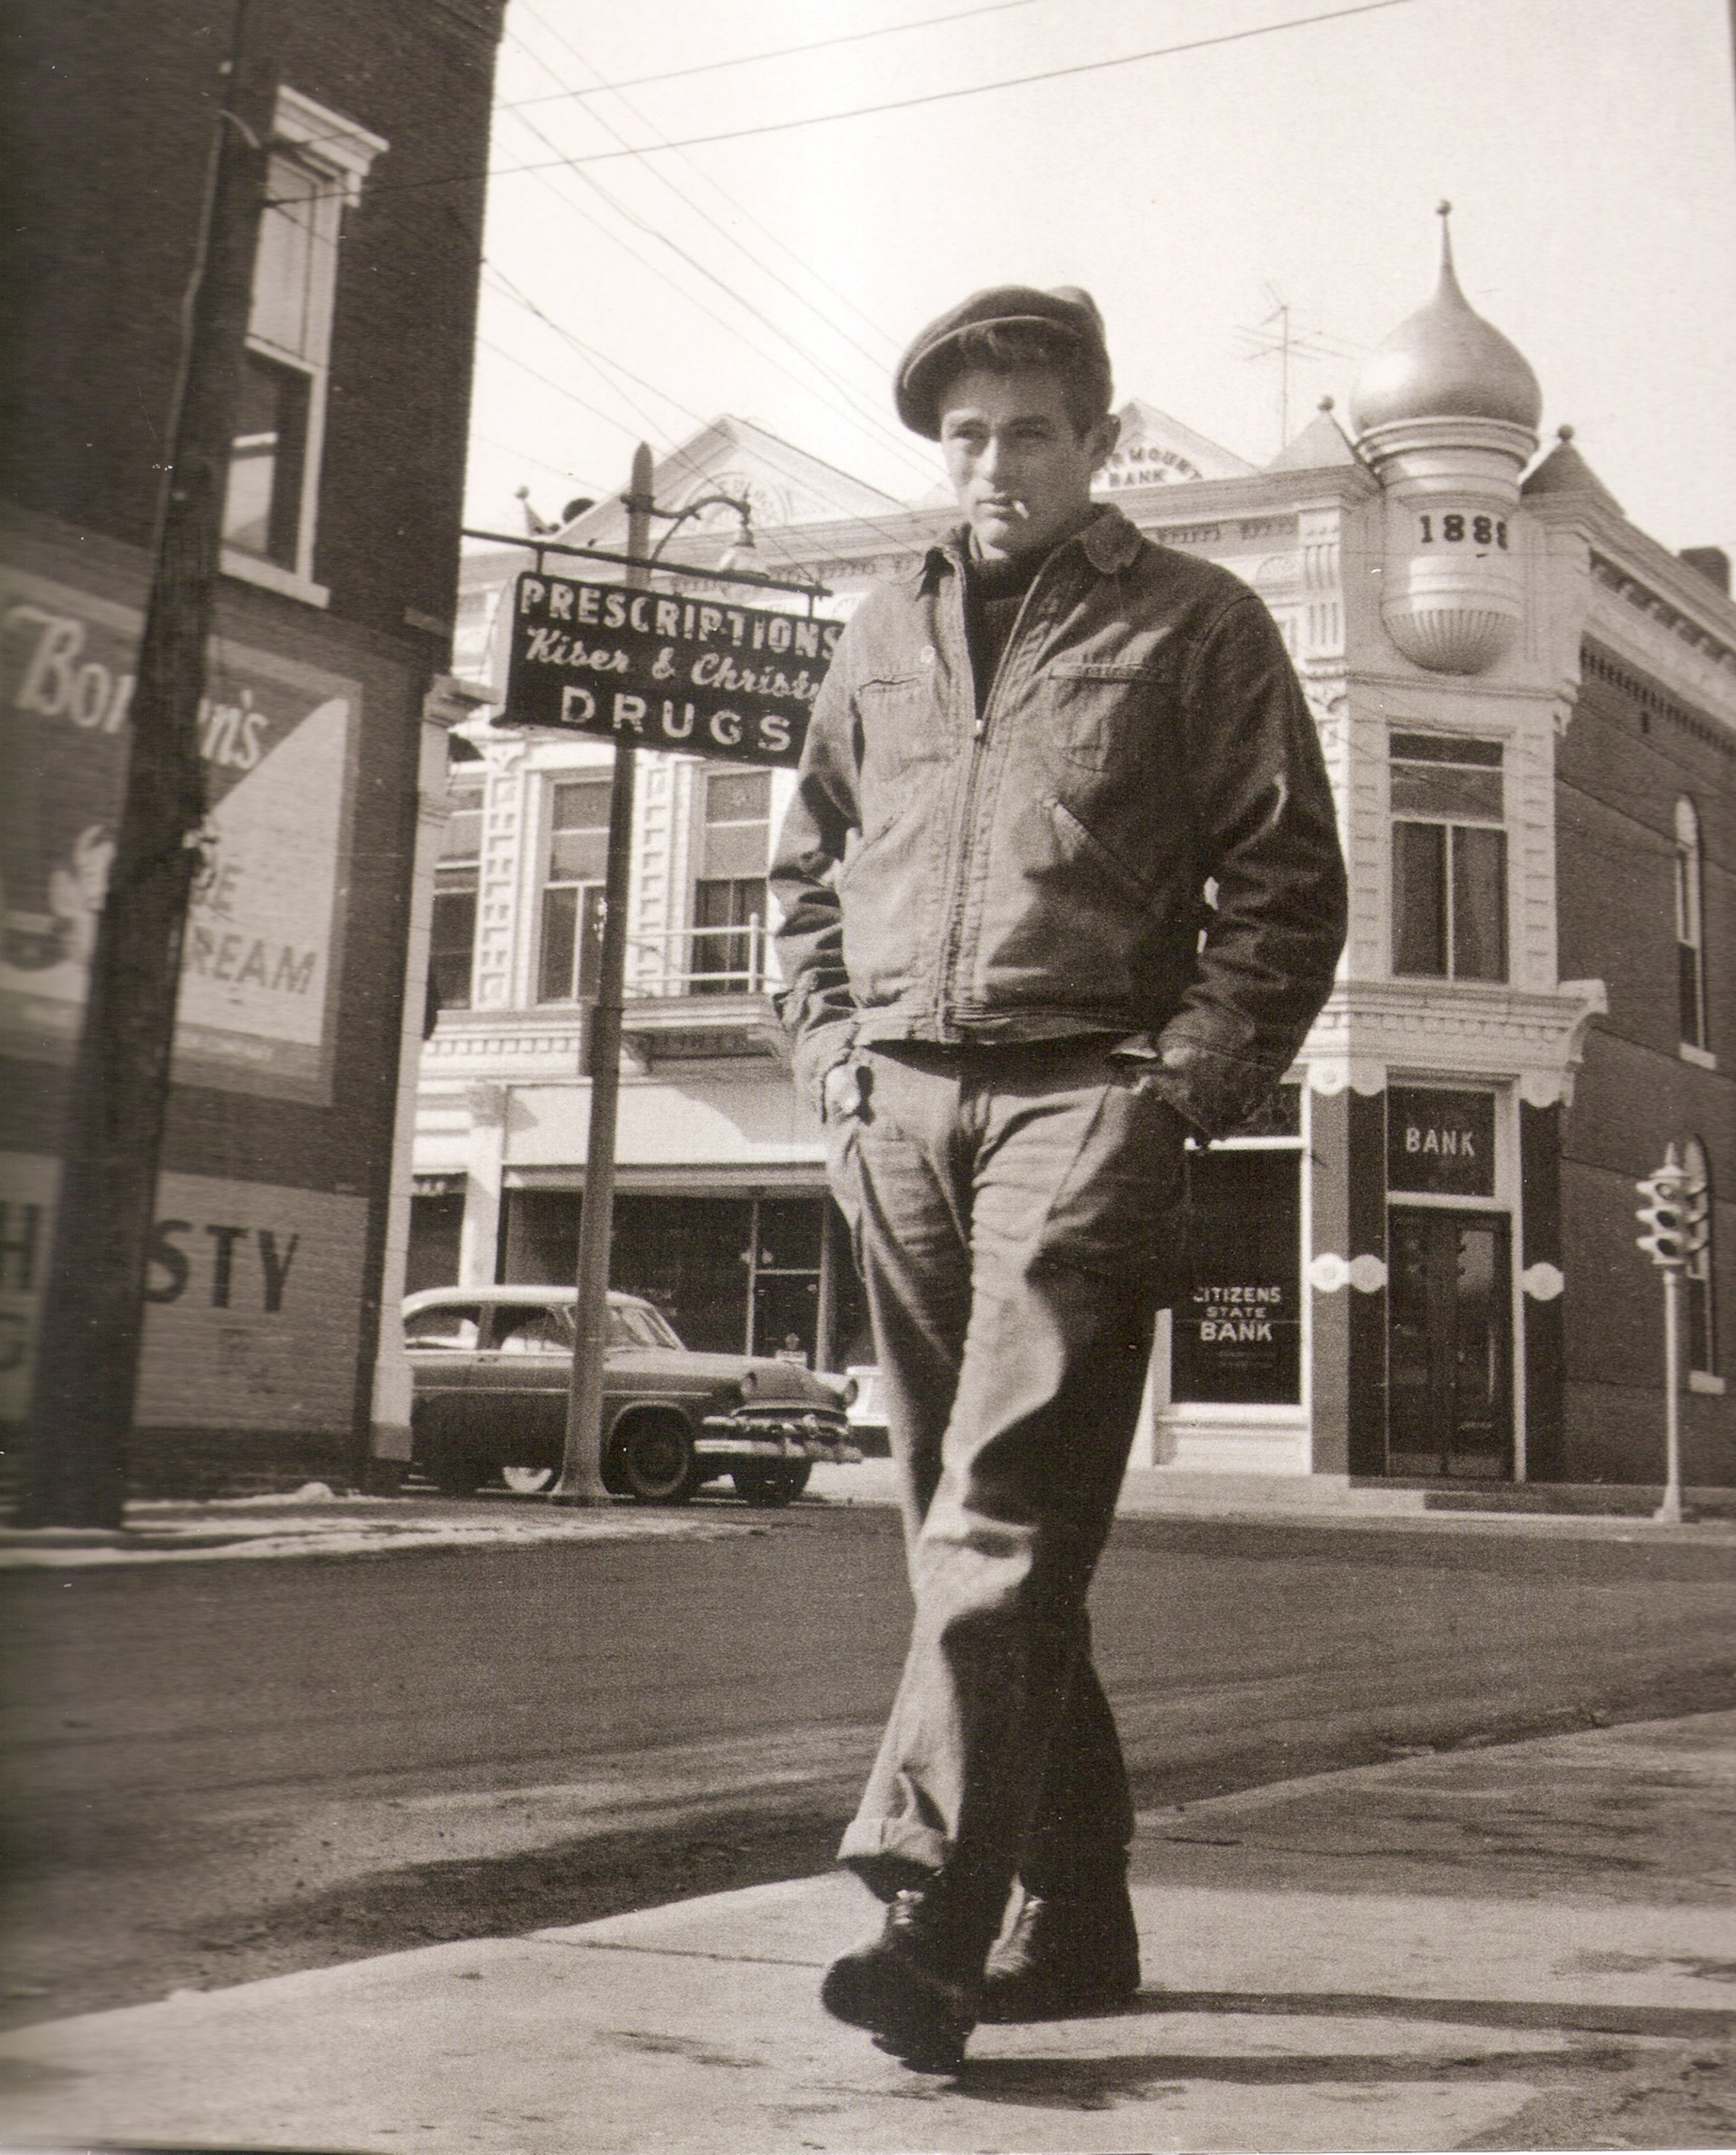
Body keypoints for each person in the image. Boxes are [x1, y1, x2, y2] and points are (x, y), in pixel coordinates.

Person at [771, 284, 1347, 2073]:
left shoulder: (1197, 622)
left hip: (1084, 1100)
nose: (995, 464)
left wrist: (1172, 1095)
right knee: (964, 1536)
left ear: (1098, 443)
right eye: (966, 435)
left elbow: (1288, 889)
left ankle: (931, 1925)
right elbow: (803, 871)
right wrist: (831, 1064)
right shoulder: (880, 630)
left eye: (1031, 430)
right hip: (901, 1112)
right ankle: (1079, 1916)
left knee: (1004, 1515)